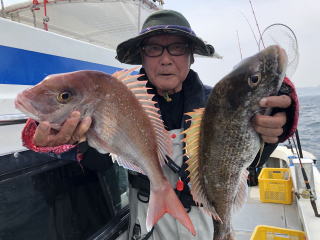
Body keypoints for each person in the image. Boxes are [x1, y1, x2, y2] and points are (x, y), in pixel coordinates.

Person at [22, 9, 299, 240]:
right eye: (154, 48)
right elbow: (94, 160)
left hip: (205, 224)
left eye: (177, 48)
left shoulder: (217, 102)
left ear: (191, 55)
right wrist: (53, 138)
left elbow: (250, 156)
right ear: (142, 56)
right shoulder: (116, 100)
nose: (166, 58)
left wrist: (279, 116)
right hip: (146, 225)